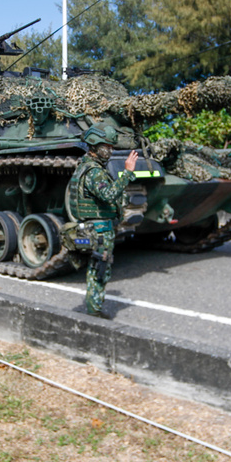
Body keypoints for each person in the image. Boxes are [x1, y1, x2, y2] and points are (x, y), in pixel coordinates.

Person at [67, 125, 138, 318]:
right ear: (94, 146)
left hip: (94, 229)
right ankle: (94, 311)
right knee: (100, 270)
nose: (110, 150)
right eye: (106, 146)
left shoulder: (87, 166)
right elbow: (108, 194)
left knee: (97, 268)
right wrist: (127, 173)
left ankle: (94, 306)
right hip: (99, 231)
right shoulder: (94, 171)